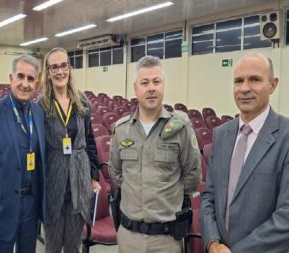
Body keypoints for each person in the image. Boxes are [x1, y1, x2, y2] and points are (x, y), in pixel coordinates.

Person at [109, 55, 201, 253]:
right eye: (145, 82)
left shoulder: (181, 127)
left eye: (156, 81)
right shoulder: (122, 129)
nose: (151, 87)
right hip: (129, 237)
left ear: (163, 86)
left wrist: (167, 197)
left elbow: (192, 177)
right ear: (135, 88)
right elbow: (116, 174)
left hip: (166, 240)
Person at [200, 52, 289, 253]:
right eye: (238, 81)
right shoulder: (222, 134)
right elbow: (209, 196)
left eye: (255, 80)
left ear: (273, 85)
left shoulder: (285, 136)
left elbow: (286, 217)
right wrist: (213, 242)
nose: (245, 88)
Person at [0, 54, 46, 253]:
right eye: (20, 76)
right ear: (11, 78)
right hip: (2, 204)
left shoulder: (38, 113)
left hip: (30, 205)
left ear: (37, 83)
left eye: (30, 79)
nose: (25, 84)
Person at [39, 47, 101, 253]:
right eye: (54, 67)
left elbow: (90, 141)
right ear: (48, 72)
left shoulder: (82, 102)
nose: (59, 72)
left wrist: (94, 177)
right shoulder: (41, 106)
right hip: (53, 181)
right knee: (53, 246)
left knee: (74, 246)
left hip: (79, 179)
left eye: (63, 65)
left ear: (69, 68)